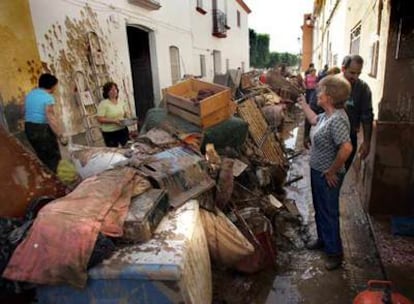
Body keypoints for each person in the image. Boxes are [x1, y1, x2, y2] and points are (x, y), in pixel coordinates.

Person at [298, 75, 353, 270]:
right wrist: (304, 103)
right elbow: (313, 119)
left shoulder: (337, 119)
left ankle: (334, 252)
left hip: (327, 175)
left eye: (321, 91)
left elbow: (346, 148)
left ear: (328, 97)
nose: (317, 94)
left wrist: (332, 172)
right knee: (320, 208)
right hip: (318, 172)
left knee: (329, 212)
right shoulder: (327, 115)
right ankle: (323, 240)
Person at [24, 73, 64, 172]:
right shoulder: (48, 97)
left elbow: (24, 110)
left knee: (42, 157)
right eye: (55, 86)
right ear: (52, 86)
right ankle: (58, 182)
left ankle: (48, 178)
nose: (55, 88)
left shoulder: (31, 94)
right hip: (42, 130)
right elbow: (50, 117)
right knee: (53, 158)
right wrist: (60, 135)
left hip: (29, 128)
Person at [341, 55, 374, 170]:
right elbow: (316, 107)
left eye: (358, 74)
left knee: (340, 175)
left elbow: (367, 116)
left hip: (349, 139)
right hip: (329, 139)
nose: (355, 77)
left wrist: (366, 142)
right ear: (343, 69)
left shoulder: (363, 89)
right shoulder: (331, 84)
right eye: (352, 73)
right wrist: (306, 134)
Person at [303, 66, 341, 149]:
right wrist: (306, 135)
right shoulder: (320, 90)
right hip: (321, 133)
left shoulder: (341, 94)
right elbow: (312, 116)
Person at [97, 81, 130, 147]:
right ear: (107, 92)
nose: (114, 91)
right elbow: (100, 119)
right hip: (110, 132)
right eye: (111, 90)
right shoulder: (103, 104)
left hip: (122, 130)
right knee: (113, 152)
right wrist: (114, 121)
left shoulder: (121, 102)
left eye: (115, 89)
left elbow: (125, 114)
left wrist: (129, 118)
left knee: (127, 149)